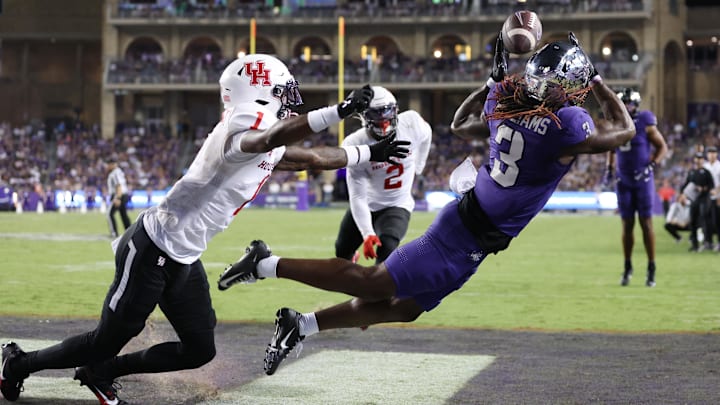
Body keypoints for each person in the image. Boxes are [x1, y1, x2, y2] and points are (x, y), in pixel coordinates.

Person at [217, 33, 636, 376]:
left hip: (476, 231)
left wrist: (490, 85)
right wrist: (598, 80)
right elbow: (624, 129)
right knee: (373, 283)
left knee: (405, 309)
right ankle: (265, 263)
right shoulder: (567, 126)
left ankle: (300, 324)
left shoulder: (503, 104)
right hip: (465, 232)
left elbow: (458, 123)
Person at [0, 54, 409, 404]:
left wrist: (367, 152)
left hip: (184, 256)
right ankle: (19, 362)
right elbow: (272, 136)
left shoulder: (264, 135)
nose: (289, 101)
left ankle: (100, 372)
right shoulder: (239, 135)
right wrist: (337, 111)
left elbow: (313, 159)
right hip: (152, 249)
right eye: (283, 92)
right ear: (258, 92)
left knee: (199, 348)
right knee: (106, 338)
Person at [334, 86, 432, 263]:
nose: (383, 119)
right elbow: (357, 196)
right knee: (342, 251)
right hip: (368, 204)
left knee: (387, 246)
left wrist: (420, 164)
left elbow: (427, 134)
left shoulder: (411, 123)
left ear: (395, 110)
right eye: (376, 114)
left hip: (397, 204)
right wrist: (368, 233)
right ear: (364, 116)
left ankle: (377, 288)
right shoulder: (354, 143)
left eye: (386, 111)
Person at [603, 88, 668, 287]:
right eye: (624, 104)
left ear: (636, 105)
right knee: (627, 225)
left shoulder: (644, 122)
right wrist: (609, 168)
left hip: (642, 180)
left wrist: (652, 165)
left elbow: (662, 147)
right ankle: (628, 266)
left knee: (646, 224)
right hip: (623, 181)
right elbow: (612, 149)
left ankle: (651, 267)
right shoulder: (616, 124)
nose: (627, 107)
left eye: (629, 104)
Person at [683, 151, 715, 252]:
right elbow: (686, 185)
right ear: (694, 160)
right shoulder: (691, 172)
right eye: (697, 158)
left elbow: (711, 186)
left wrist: (703, 188)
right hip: (693, 199)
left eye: (700, 158)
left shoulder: (706, 172)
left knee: (705, 219)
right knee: (693, 221)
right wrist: (683, 195)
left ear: (703, 160)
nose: (698, 160)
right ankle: (695, 244)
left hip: (704, 199)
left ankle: (707, 242)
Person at [106, 158, 132, 238]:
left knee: (109, 214)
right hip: (123, 194)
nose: (107, 167)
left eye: (108, 165)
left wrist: (118, 198)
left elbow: (118, 185)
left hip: (119, 195)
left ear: (112, 164)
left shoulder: (114, 173)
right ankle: (130, 232)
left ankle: (114, 233)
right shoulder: (119, 172)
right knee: (123, 214)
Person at [702, 145, 720, 251]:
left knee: (717, 221)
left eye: (713, 152)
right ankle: (708, 242)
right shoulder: (705, 166)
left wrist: (717, 193)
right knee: (706, 220)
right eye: (709, 153)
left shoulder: (719, 166)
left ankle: (719, 242)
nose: (711, 155)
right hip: (706, 197)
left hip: (717, 197)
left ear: (716, 154)